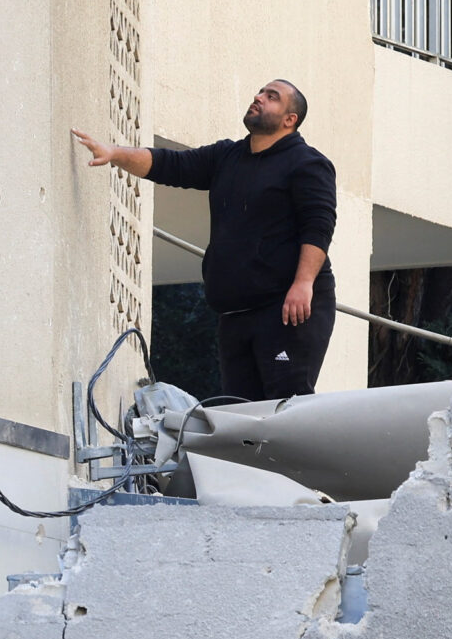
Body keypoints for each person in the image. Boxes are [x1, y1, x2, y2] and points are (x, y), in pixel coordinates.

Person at [74, 80, 337, 401]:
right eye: (260, 92)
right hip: (234, 314)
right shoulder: (228, 156)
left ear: (289, 120)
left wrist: (303, 283)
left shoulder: (307, 163)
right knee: (238, 414)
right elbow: (170, 164)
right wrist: (114, 153)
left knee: (286, 407)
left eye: (271, 97)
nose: (258, 97)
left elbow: (319, 226)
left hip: (286, 308)